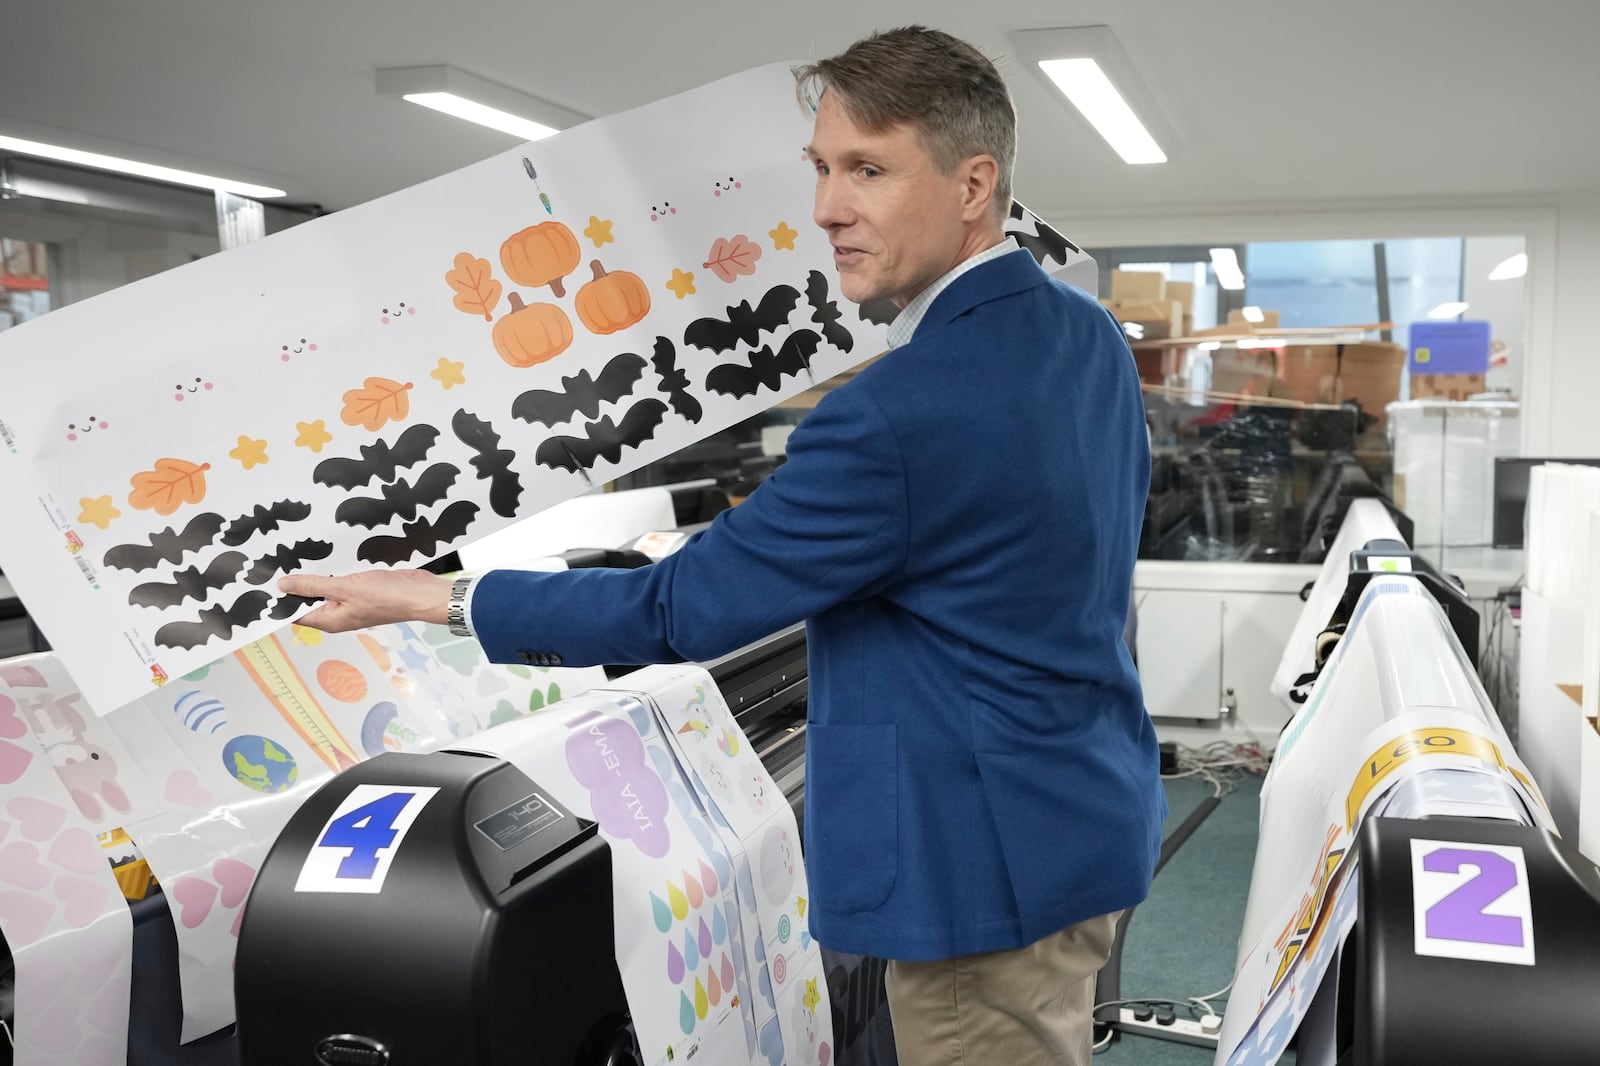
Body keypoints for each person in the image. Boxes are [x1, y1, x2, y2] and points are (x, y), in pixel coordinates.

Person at [282, 26, 1164, 1066]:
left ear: (974, 185)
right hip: (1074, 805)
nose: (829, 207)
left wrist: (439, 597)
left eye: (868, 170)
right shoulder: (1082, 333)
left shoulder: (896, 412)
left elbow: (676, 608)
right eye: (824, 169)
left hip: (972, 866)